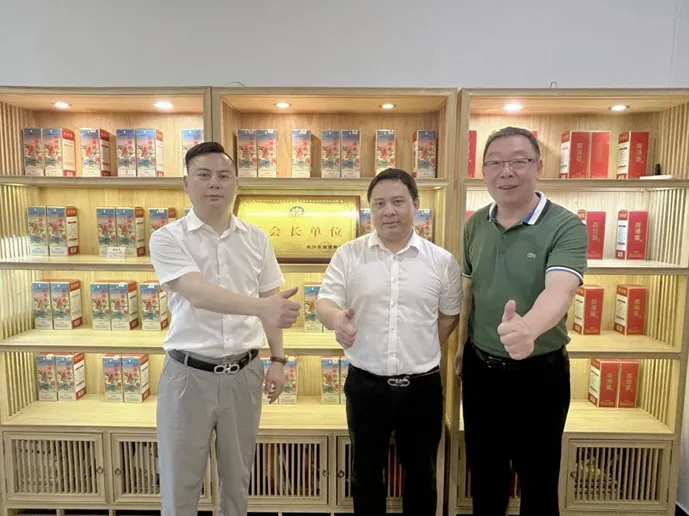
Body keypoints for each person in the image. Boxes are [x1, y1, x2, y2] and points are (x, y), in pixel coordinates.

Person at [148, 141, 301, 516]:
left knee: (237, 481)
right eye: (203, 175)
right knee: (180, 484)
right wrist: (264, 307)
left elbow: (271, 299)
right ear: (187, 183)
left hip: (244, 374)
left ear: (236, 183)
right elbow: (198, 293)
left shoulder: (256, 237)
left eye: (223, 175)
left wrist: (278, 360)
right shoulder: (167, 237)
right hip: (187, 375)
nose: (214, 183)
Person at [455, 126, 587, 515]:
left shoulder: (566, 225)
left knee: (538, 483)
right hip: (481, 371)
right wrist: (462, 347)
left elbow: (560, 290)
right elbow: (469, 291)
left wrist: (528, 328)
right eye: (495, 163)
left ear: (538, 167)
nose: (506, 171)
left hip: (539, 375)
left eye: (518, 161)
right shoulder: (475, 225)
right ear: (483, 172)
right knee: (485, 479)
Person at [316, 168, 462, 516]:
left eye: (398, 201)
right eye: (379, 204)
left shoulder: (441, 261)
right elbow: (325, 301)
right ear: (370, 209)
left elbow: (449, 316)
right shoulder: (349, 254)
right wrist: (336, 320)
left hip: (422, 386)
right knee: (366, 472)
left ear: (416, 204)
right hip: (366, 384)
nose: (388, 211)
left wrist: (420, 345)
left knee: (422, 472)